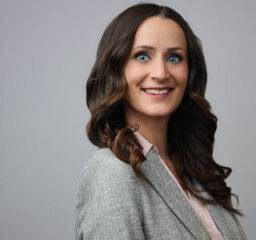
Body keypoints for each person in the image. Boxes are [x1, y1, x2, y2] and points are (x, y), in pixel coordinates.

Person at [75, 3, 247, 240]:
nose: (161, 73)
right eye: (142, 56)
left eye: (174, 57)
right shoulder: (110, 172)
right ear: (116, 68)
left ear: (190, 71)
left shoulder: (196, 170)